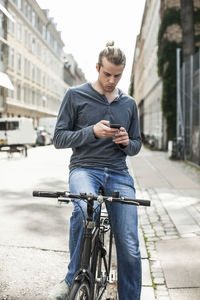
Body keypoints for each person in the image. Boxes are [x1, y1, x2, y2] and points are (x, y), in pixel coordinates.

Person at [50, 41, 142, 300]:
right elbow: (58, 138)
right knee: (83, 210)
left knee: (131, 246)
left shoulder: (129, 104)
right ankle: (71, 280)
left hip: (118, 173)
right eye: (107, 74)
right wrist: (91, 131)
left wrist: (127, 143)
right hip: (84, 169)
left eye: (118, 75)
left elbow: (136, 145)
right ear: (98, 68)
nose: (112, 80)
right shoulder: (75, 95)